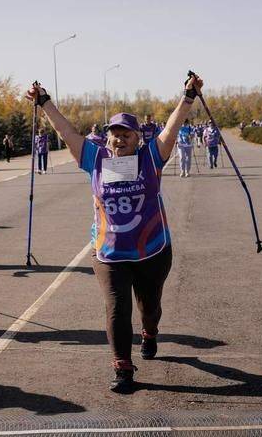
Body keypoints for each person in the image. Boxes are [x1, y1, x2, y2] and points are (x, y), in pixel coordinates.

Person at [25, 72, 204, 393]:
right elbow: (66, 132)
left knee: (150, 309)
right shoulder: (94, 158)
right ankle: (123, 366)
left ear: (138, 138)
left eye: (127, 134)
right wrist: (45, 102)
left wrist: (188, 96)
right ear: (107, 138)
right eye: (114, 134)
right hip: (109, 253)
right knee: (117, 307)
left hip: (152, 250)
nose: (119, 139)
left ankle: (150, 333)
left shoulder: (151, 157)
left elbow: (172, 127)